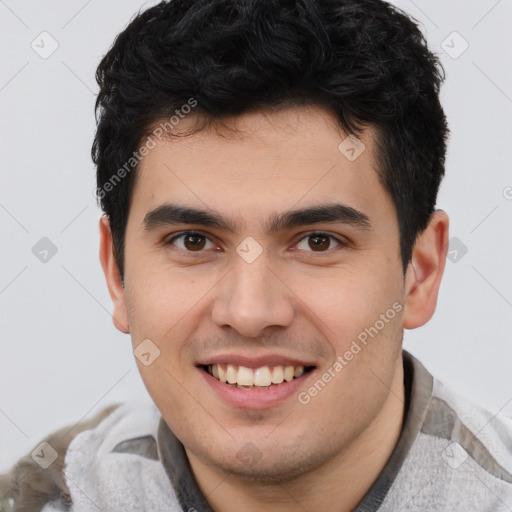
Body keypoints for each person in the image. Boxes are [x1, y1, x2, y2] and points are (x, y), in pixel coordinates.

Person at [1, 0, 511, 510]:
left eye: (318, 241)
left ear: (420, 273)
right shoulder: (41, 497)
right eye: (193, 241)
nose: (249, 313)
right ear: (117, 272)